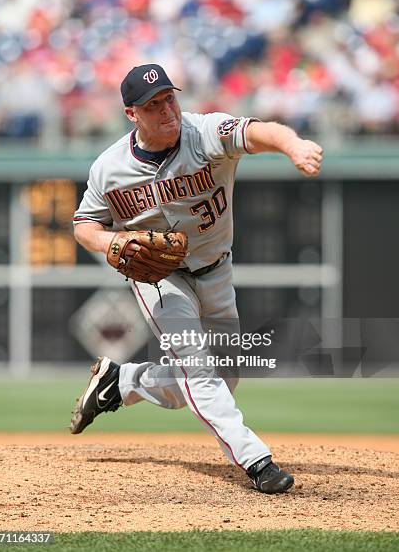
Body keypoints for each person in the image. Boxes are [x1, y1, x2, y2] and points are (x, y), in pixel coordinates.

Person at [70, 63, 323, 494]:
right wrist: (109, 243)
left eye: (169, 97)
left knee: (219, 377)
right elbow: (84, 225)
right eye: (153, 105)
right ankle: (256, 461)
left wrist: (293, 145)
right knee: (199, 373)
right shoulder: (109, 168)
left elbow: (260, 132)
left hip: (217, 270)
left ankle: (124, 381)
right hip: (160, 281)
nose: (166, 109)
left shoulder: (205, 132)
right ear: (132, 114)